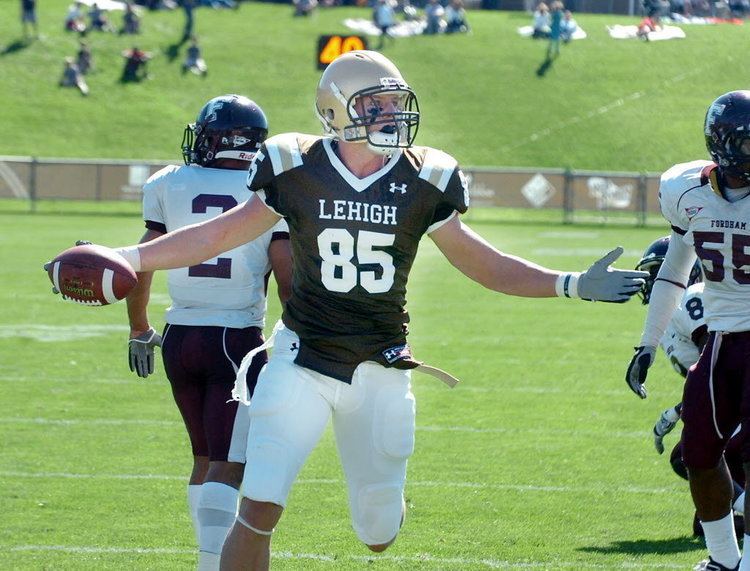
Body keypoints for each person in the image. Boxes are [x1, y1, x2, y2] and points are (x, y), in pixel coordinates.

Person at [68, 51, 646, 570]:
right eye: (377, 104)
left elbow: (483, 262)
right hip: (300, 357)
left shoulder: (426, 176)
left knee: (376, 533)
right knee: (258, 503)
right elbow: (214, 236)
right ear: (336, 111)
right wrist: (126, 254)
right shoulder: (293, 166)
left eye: (397, 101)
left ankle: (386, 506)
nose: (392, 114)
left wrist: (569, 284)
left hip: (380, 365)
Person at [125, 94, 292, 571]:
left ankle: (209, 559)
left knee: (203, 457)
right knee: (230, 462)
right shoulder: (270, 188)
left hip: (179, 335)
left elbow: (142, 264)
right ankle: (209, 565)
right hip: (235, 338)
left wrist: (140, 328)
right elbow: (286, 275)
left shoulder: (166, 182)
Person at [625, 90, 750, 571]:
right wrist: (647, 344)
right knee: (698, 454)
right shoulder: (685, 189)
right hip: (721, 339)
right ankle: (723, 560)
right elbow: (675, 270)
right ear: (723, 145)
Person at [635, 237, 745, 539]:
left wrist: (678, 412)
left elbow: (720, 366)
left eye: (660, 273)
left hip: (741, 392)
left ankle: (742, 509)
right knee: (707, 515)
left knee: (691, 452)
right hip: (735, 394)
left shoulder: (693, 297)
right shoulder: (672, 316)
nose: (653, 282)